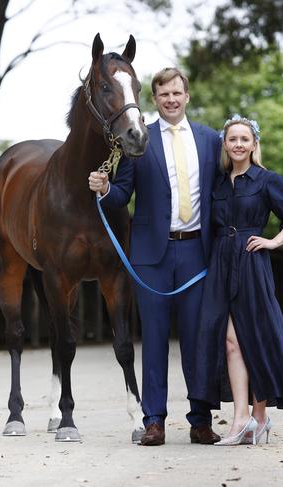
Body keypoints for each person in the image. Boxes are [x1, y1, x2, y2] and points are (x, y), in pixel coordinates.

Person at [88, 67, 222, 446]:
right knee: (156, 339)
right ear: (155, 100)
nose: (171, 100)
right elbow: (122, 196)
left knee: (198, 338)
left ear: (187, 96)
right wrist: (104, 188)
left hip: (197, 251)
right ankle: (154, 421)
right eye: (163, 95)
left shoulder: (211, 140)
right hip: (151, 256)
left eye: (177, 93)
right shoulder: (139, 140)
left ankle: (200, 420)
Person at [189, 114, 283, 446]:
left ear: (254, 144)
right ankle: (242, 417)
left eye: (244, 139)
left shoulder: (267, 180)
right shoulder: (218, 182)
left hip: (252, 262)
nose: (238, 144)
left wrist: (272, 241)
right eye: (232, 139)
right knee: (229, 342)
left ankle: (259, 416)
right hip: (221, 263)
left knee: (254, 338)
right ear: (224, 145)